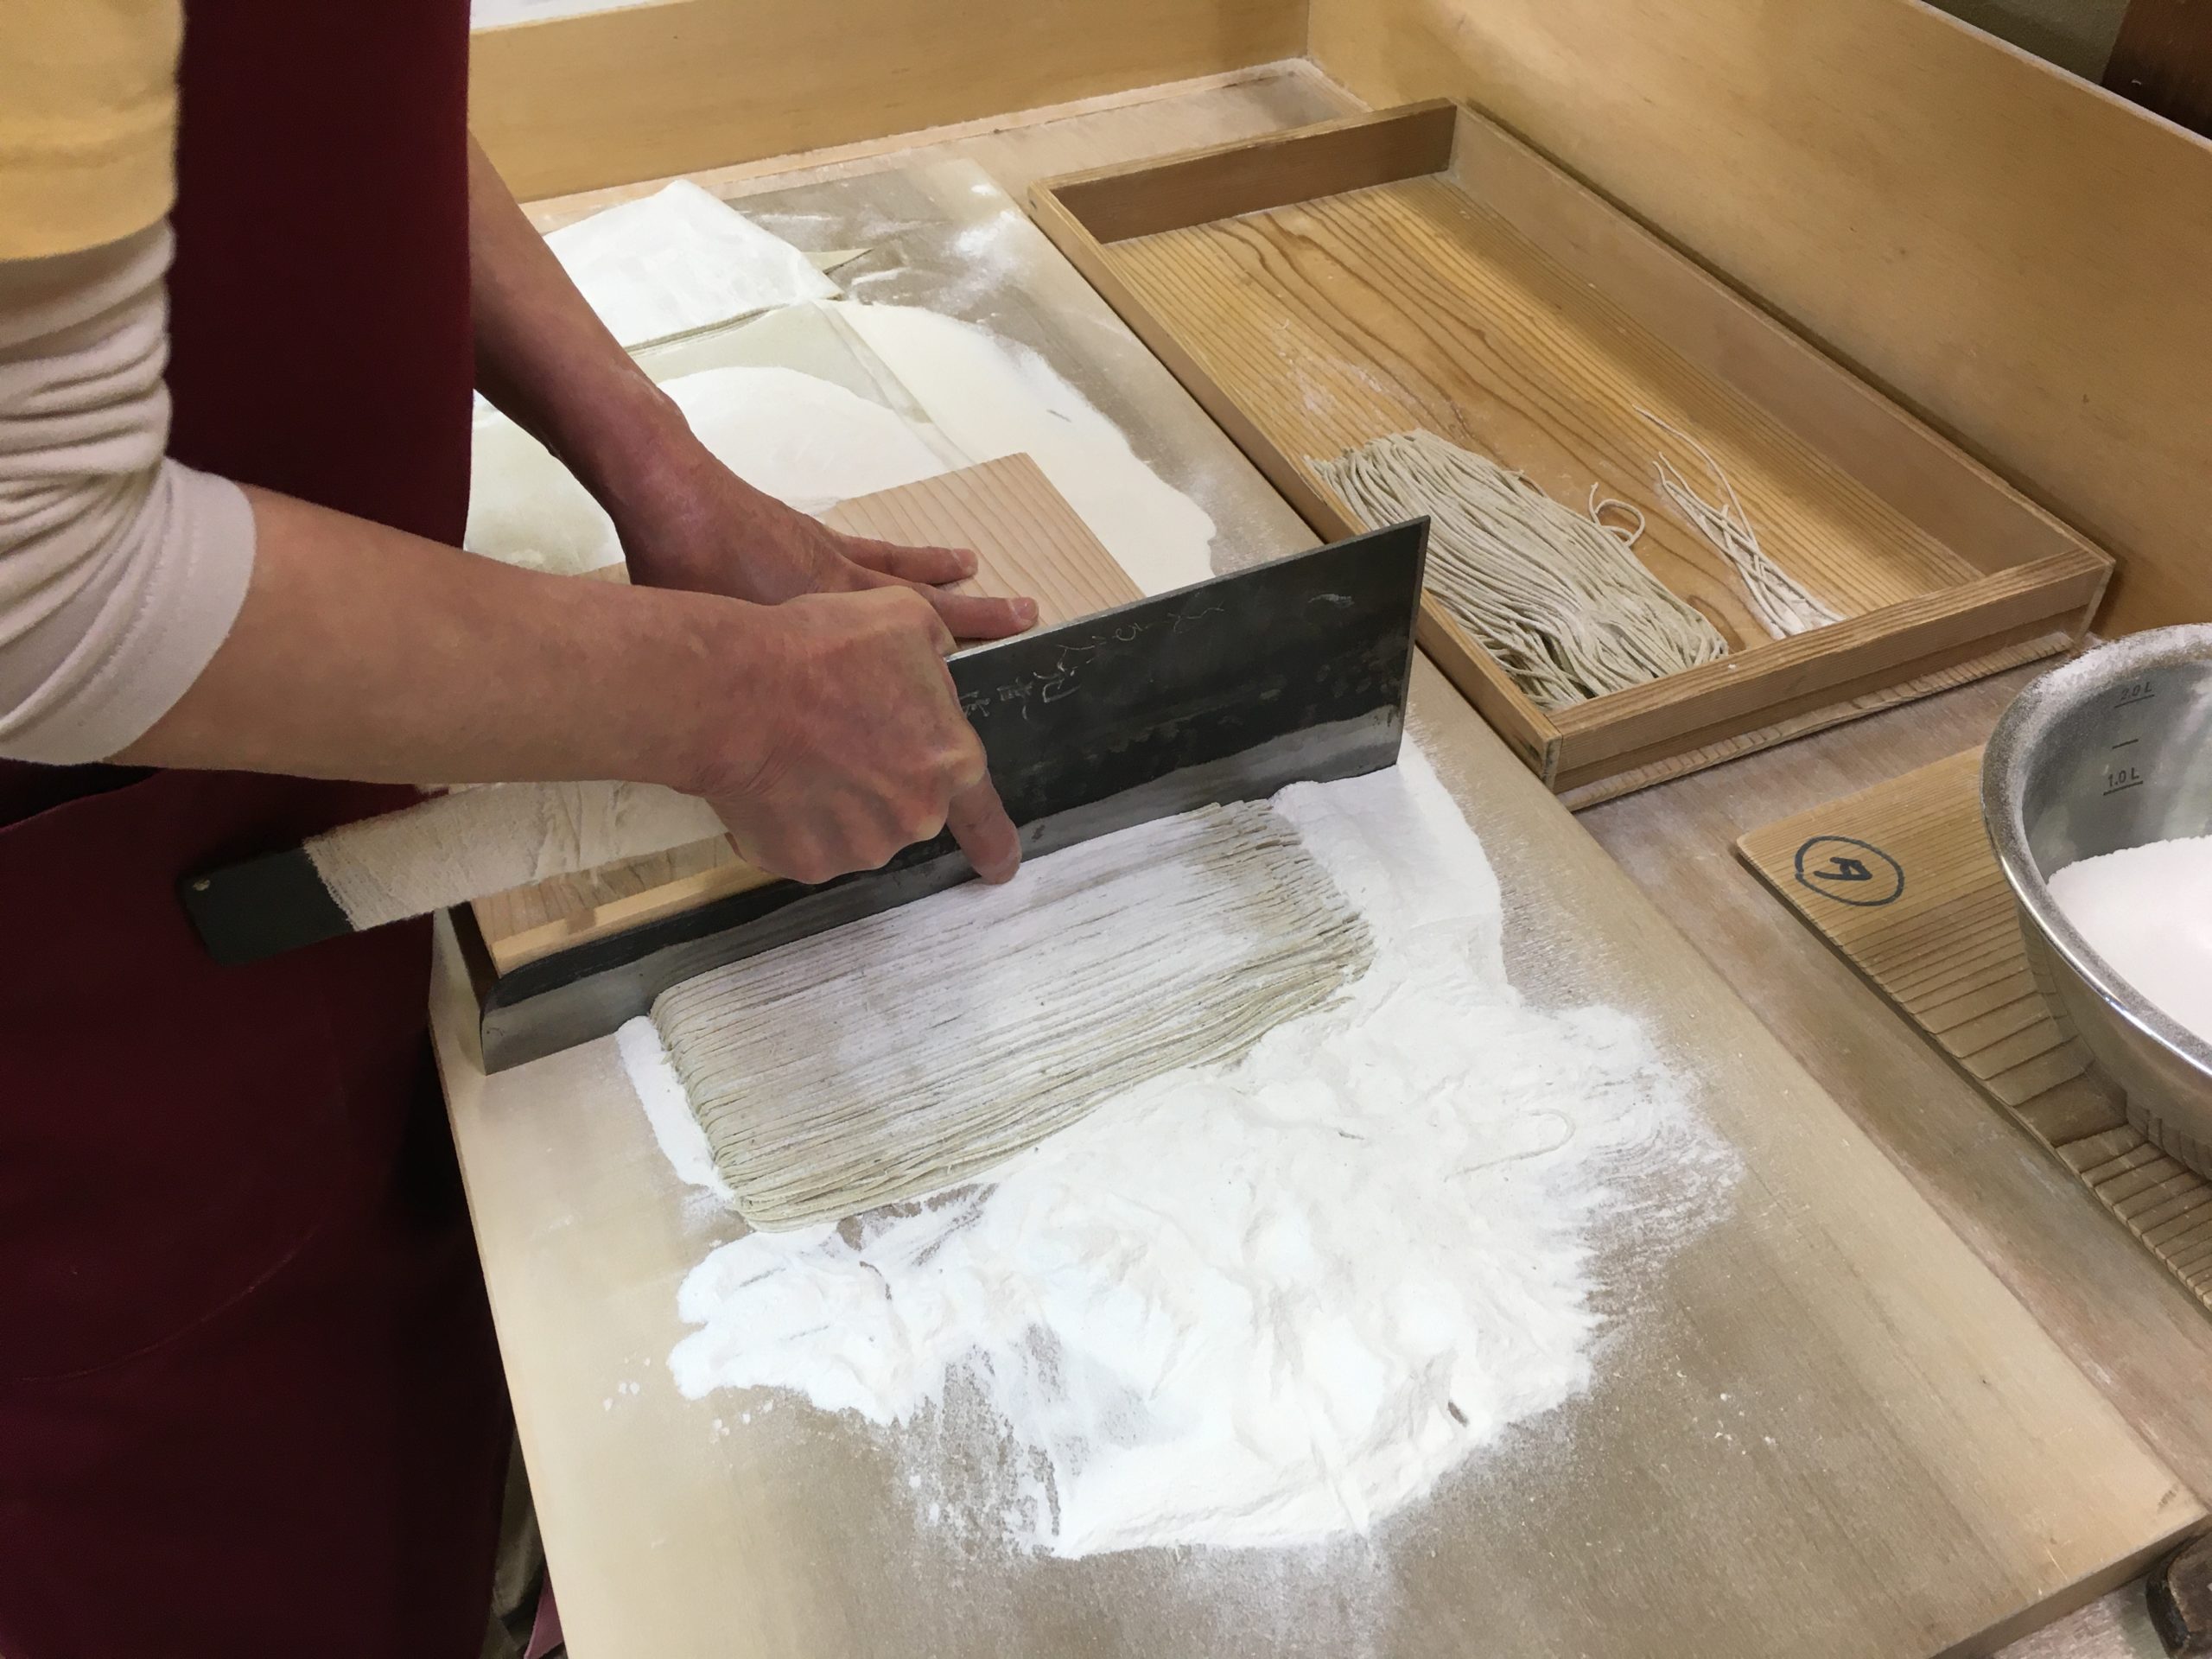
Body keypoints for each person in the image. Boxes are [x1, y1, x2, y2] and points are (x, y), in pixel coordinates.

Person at [0, 4, 1032, 1654]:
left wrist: (662, 472)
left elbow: (298, 85)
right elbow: (26, 574)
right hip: (85, 978)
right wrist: (732, 704)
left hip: (297, 772)